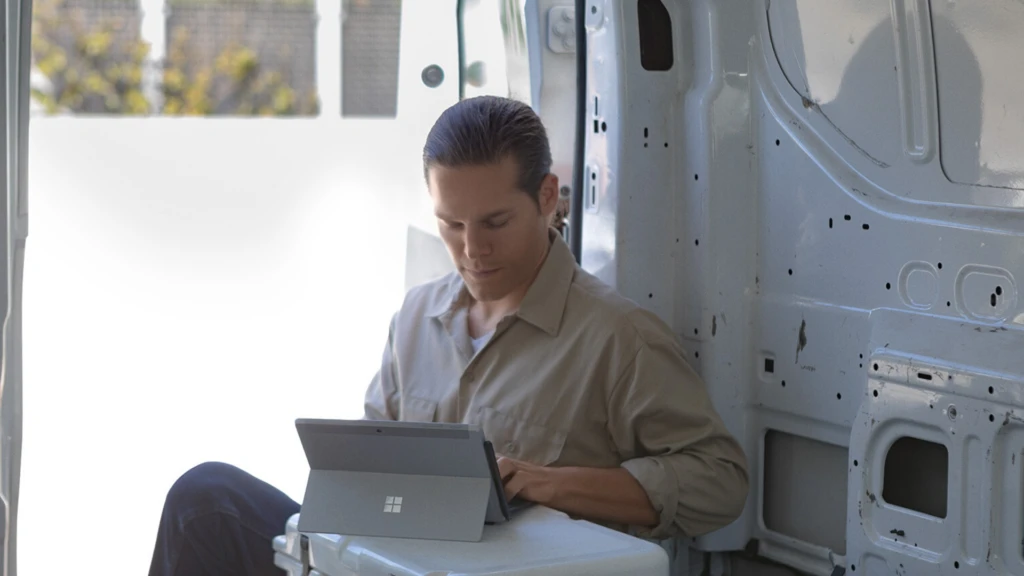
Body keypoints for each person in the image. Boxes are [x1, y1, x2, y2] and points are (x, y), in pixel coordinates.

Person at [148, 96, 749, 576]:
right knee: (205, 501)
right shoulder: (415, 316)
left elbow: (720, 482)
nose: (472, 249)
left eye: (494, 223)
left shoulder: (619, 338)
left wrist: (549, 484)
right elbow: (370, 470)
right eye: (451, 224)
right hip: (388, 565)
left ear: (546, 198)